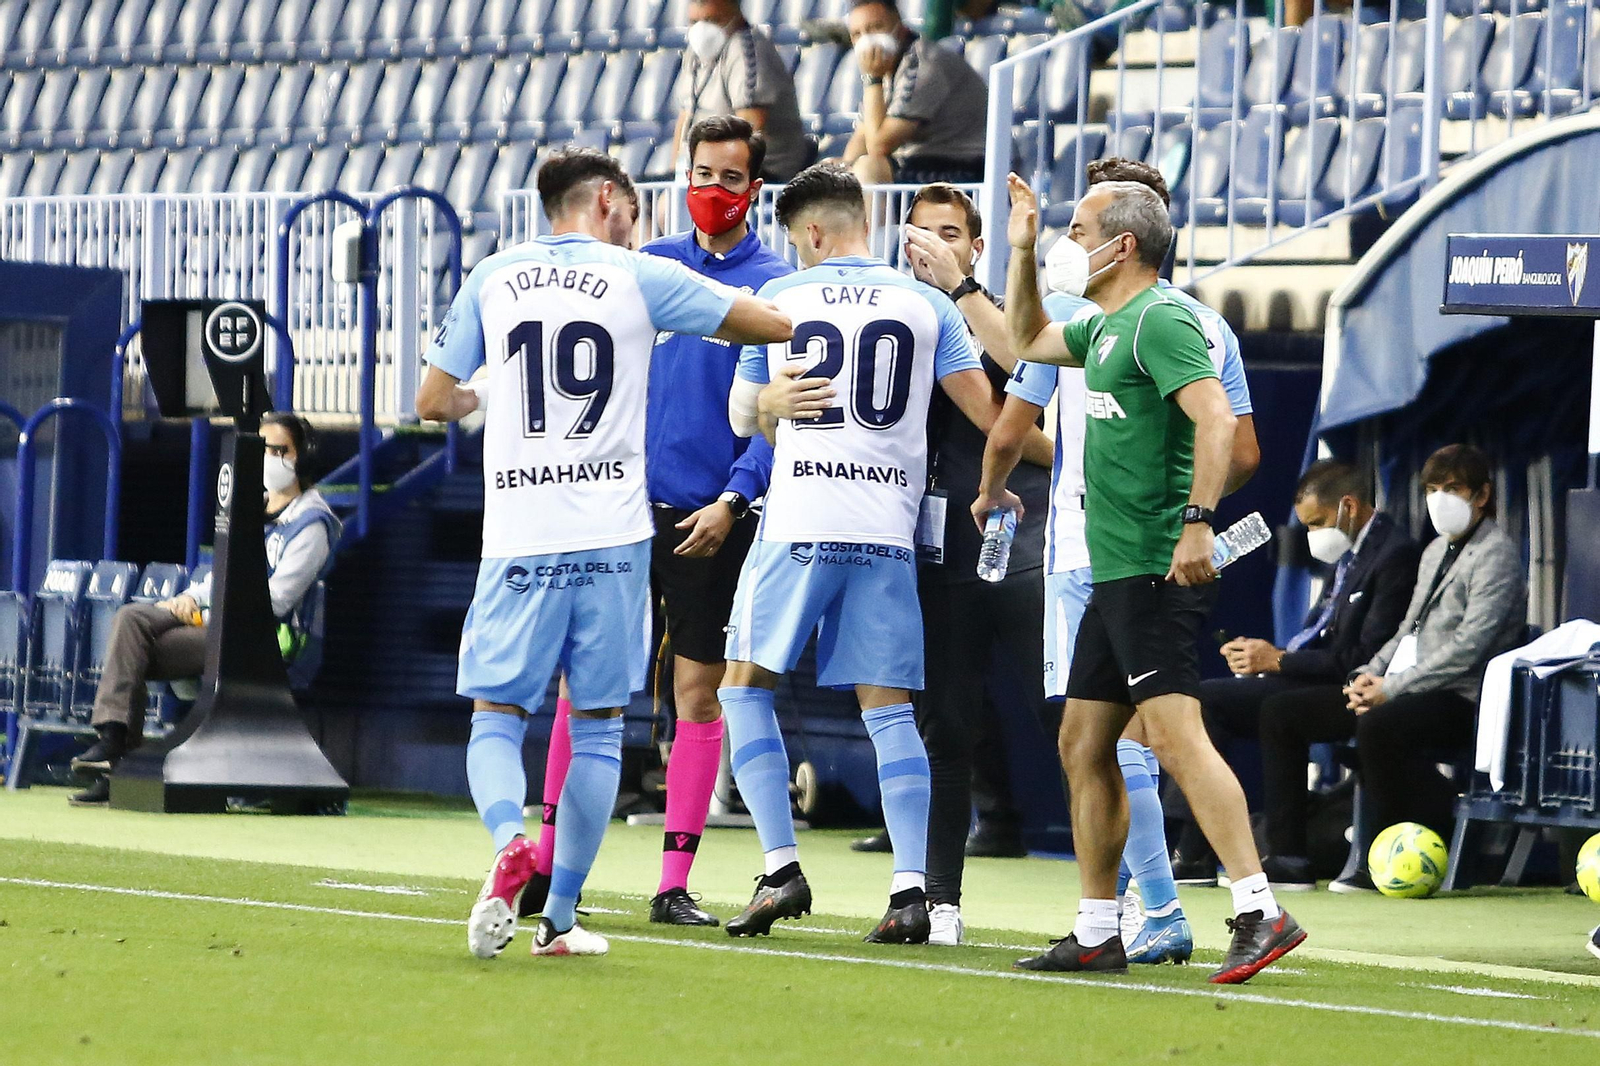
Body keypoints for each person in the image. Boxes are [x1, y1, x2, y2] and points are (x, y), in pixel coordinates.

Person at [415, 146, 791, 960]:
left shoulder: (494, 274)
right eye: (632, 204)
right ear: (611, 200)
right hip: (613, 537)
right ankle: (560, 921)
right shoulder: (636, 275)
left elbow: (433, 400)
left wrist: (484, 395)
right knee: (595, 727)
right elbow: (765, 321)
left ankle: (508, 839)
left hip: (519, 530)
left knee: (497, 714)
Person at [985, 172, 1303, 983]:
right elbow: (1024, 341)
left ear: (1123, 245)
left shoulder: (1160, 320)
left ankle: (1259, 908)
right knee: (1083, 741)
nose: (1069, 240)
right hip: (1114, 569)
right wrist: (1019, 254)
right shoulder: (1106, 326)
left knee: (1173, 737)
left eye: (1079, 228)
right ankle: (1098, 929)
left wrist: (1197, 523)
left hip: (1158, 567)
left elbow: (1219, 420)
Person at [717, 161, 1005, 944]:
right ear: (862, 224)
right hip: (886, 530)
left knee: (743, 687)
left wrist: (767, 405)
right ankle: (911, 891)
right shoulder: (924, 304)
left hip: (800, 520)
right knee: (889, 711)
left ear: (809, 233)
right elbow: (989, 414)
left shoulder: (776, 299)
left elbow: (751, 421)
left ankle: (779, 869)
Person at [527, 117, 789, 929]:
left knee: (696, 693)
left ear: (756, 189)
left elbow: (779, 417)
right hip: (619, 510)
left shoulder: (775, 288)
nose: (715, 190)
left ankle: (673, 882)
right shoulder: (644, 269)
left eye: (731, 177)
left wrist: (734, 498)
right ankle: (546, 865)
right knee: (582, 684)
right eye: (702, 173)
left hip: (713, 514)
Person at [851, 182, 1053, 945]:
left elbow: (1024, 363)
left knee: (1070, 718)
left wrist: (961, 288)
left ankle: (1128, 896)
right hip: (939, 554)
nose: (929, 245)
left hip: (1025, 543)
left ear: (974, 245)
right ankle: (939, 901)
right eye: (918, 235)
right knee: (946, 731)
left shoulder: (1001, 314)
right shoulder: (895, 322)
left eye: (948, 232)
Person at [1256, 444, 1525, 892]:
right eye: (1432, 489)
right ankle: (1289, 858)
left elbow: (1469, 647)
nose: (1440, 498)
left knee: (1380, 727)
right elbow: (1407, 628)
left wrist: (1393, 687)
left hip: (1463, 698)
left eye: (1453, 488)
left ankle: (1392, 849)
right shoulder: (1438, 549)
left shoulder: (1495, 554)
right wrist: (1366, 675)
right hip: (1408, 686)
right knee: (1283, 713)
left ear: (1481, 495)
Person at [68, 412, 339, 807]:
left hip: (263, 639)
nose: (268, 459)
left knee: (134, 650)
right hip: (219, 622)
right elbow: (220, 574)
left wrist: (203, 617)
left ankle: (116, 754)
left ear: (301, 458)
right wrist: (192, 598)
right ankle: (112, 741)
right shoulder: (251, 509)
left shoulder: (313, 524)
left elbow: (276, 602)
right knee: (130, 619)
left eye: (279, 450)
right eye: (261, 450)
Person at [1174, 459, 1420, 888]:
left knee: (1282, 712)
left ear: (1349, 506)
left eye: (1317, 523)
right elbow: (1321, 635)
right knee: (1205, 698)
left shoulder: (1394, 555)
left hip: (1362, 688)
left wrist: (1280, 661)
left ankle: (1289, 856)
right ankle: (1194, 850)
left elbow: (1362, 655)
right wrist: (1271, 657)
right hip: (1318, 677)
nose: (1312, 536)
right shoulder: (1348, 557)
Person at [842, 0, 990, 186]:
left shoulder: (926, 63)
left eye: (876, 27)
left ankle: (872, 217)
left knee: (869, 168)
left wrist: (873, 80)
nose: (868, 40)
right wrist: (844, 167)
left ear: (900, 27)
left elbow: (879, 146)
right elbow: (863, 134)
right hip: (918, 162)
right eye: (857, 34)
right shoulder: (885, 69)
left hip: (961, 166)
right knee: (831, 173)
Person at [671, 0, 808, 181]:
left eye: (712, 20)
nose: (701, 29)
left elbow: (748, 127)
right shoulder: (695, 53)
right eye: (694, 22)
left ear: (735, 15)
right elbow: (685, 117)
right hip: (705, 168)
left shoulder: (748, 50)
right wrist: (674, 175)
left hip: (759, 171)